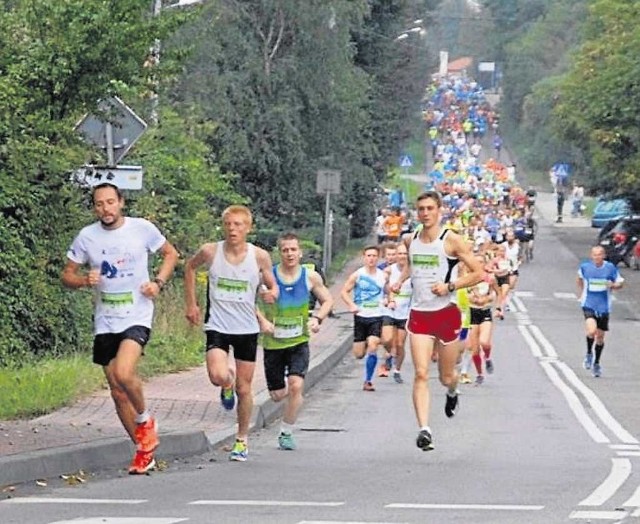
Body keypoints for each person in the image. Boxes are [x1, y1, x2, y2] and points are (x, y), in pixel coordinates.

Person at [61, 183, 179, 475]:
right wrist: (82, 280)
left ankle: (145, 421)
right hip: (105, 320)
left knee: (124, 373)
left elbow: (170, 254)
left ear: (121, 202)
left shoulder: (141, 229)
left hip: (136, 314)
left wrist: (158, 283)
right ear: (94, 208)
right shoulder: (87, 237)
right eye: (100, 204)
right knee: (116, 391)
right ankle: (143, 450)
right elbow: (67, 275)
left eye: (111, 202)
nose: (106, 209)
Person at [184, 204, 278, 462]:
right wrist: (191, 303)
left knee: (245, 389)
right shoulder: (210, 251)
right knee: (217, 375)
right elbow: (190, 268)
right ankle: (226, 383)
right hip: (217, 325)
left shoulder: (259, 256)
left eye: (238, 225)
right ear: (223, 226)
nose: (232, 229)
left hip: (246, 328)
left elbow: (272, 285)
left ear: (248, 228)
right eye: (228, 224)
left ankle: (241, 439)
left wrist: (271, 293)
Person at [392, 191, 484, 451]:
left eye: (430, 208)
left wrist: (450, 285)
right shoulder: (411, 239)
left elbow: (479, 273)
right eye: (421, 209)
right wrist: (400, 280)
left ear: (439, 210)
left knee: (446, 376)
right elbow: (411, 265)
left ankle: (453, 391)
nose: (425, 213)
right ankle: (424, 429)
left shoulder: (451, 241)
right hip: (420, 314)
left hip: (446, 313)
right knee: (421, 372)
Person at [257, 233, 333, 450]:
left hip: (299, 342)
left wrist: (317, 318)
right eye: (285, 250)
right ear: (279, 253)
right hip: (274, 344)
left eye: (293, 250)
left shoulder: (310, 277)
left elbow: (327, 300)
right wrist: (262, 321)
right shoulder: (267, 278)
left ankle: (286, 432)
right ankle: (290, 400)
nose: (290, 254)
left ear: (300, 252)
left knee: (296, 385)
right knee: (277, 395)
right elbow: (246, 300)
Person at [340, 245, 387, 392]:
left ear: (378, 257)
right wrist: (351, 305)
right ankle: (366, 345)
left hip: (376, 316)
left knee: (373, 345)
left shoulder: (383, 276)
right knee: (359, 354)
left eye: (374, 256)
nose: (371, 259)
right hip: (360, 316)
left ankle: (368, 380)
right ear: (364, 257)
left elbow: (389, 291)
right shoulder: (357, 275)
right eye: (368, 256)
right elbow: (344, 292)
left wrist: (389, 300)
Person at [576, 246, 624, 378]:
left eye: (599, 255)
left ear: (603, 256)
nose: (597, 257)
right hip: (588, 304)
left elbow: (620, 283)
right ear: (591, 256)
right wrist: (581, 294)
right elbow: (579, 279)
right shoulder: (585, 267)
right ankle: (588, 354)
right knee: (591, 331)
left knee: (600, 337)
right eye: (594, 255)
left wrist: (613, 286)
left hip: (604, 307)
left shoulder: (610, 268)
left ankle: (596, 363)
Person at [380, 242, 412, 383]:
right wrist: (388, 299)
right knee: (387, 339)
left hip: (406, 311)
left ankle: (397, 370)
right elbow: (383, 287)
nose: (402, 256)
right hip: (390, 310)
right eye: (400, 253)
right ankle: (389, 354)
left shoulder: (414, 272)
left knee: (400, 344)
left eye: (405, 254)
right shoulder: (389, 271)